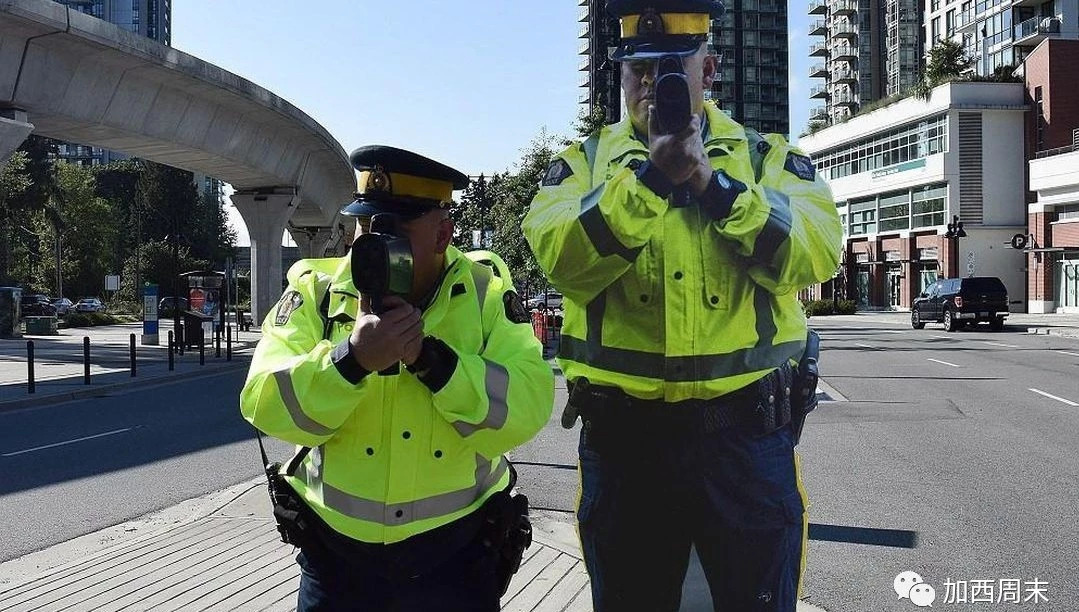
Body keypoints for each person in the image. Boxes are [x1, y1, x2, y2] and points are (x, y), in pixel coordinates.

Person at [522, 1, 844, 610]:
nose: (651, 81)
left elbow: (817, 254)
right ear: (618, 74)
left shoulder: (766, 160)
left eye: (671, 65)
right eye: (636, 67)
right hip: (625, 447)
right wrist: (648, 185)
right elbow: (561, 259)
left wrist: (713, 188)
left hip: (746, 446)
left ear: (709, 70)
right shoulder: (580, 167)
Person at [241, 145, 554, 611]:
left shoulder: (485, 291)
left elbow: (528, 405)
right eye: (367, 225)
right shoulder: (316, 288)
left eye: (394, 229)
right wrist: (350, 361)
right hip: (338, 562)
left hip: (453, 560)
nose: (373, 242)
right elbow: (262, 401)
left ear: (442, 233)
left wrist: (434, 363)